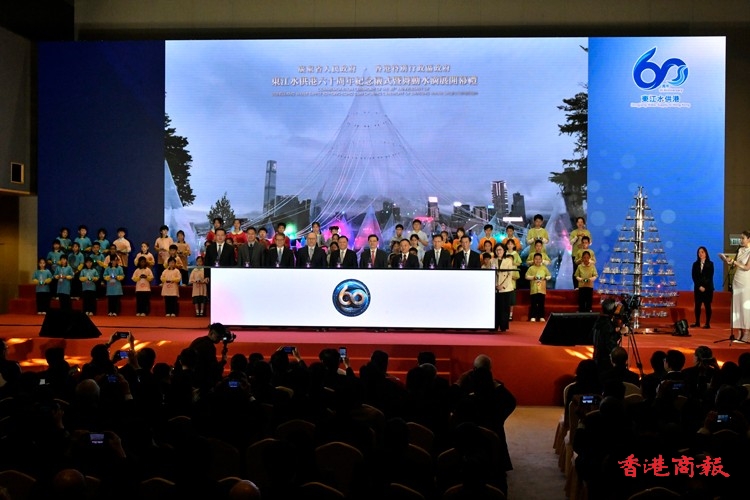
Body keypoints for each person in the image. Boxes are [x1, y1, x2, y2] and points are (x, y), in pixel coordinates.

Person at [726, 230, 750, 341]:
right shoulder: (740, 250)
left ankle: (747, 333)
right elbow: (738, 264)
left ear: (749, 239)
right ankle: (739, 332)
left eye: (743, 238)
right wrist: (730, 262)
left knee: (745, 307)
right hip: (737, 279)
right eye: (741, 238)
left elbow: (747, 267)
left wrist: (734, 262)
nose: (741, 240)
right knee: (737, 306)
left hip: (746, 281)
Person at [495, 244, 519, 332]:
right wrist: (495, 285)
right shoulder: (492, 261)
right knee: (496, 308)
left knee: (504, 308)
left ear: (504, 250)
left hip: (505, 288)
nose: (498, 252)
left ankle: (503, 326)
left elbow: (510, 275)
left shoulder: (508, 261)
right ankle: (495, 325)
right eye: (497, 250)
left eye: (500, 250)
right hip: (495, 288)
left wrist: (503, 285)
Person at [592, 299, 621, 369]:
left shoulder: (598, 320)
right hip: (606, 361)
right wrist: (619, 333)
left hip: (597, 357)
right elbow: (611, 345)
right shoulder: (608, 325)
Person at [692, 246, 714, 329]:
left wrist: (704, 286)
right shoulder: (695, 264)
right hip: (698, 288)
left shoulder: (710, 264)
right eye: (699, 252)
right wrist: (699, 286)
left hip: (707, 288)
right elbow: (694, 276)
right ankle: (697, 322)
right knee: (697, 306)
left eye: (702, 252)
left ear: (706, 253)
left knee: (707, 306)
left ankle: (707, 323)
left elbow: (709, 276)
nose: (700, 254)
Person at [525, 252, 551, 321]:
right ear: (533, 260)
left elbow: (549, 276)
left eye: (539, 259)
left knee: (541, 303)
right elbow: (526, 276)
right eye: (536, 259)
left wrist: (545, 278)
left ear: (541, 260)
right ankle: (533, 316)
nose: (538, 260)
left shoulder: (544, 268)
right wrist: (533, 277)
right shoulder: (531, 268)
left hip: (542, 289)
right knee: (533, 303)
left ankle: (541, 316)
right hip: (534, 289)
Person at [504, 239, 522, 321]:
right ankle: (505, 314)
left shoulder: (516, 254)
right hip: (504, 285)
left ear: (514, 245)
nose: (510, 245)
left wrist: (513, 264)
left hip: (512, 284)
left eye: (511, 244)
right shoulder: (504, 253)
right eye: (508, 244)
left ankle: (510, 315)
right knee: (505, 300)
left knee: (511, 301)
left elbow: (519, 263)